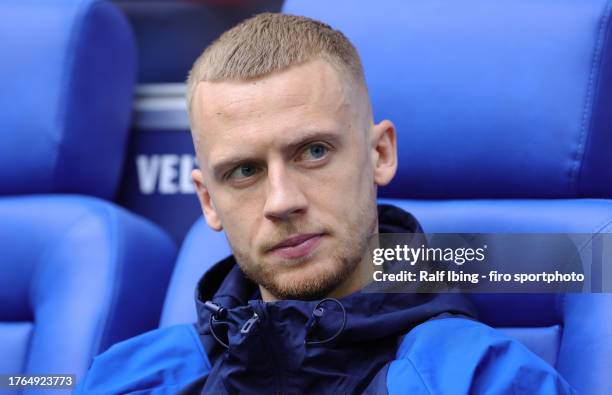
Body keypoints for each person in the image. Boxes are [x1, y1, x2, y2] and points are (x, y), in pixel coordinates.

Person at [78, 13, 575, 394]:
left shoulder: (478, 378)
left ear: (380, 154)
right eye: (244, 172)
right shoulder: (130, 378)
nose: (282, 201)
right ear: (208, 200)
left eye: (313, 152)